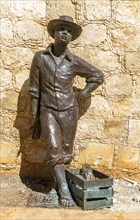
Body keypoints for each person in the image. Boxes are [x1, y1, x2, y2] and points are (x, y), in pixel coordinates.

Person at [29, 15, 104, 207]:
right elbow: (34, 90)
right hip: (48, 111)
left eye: (69, 31)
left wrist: (82, 95)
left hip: (69, 110)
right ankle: (64, 190)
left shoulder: (73, 61)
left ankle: (60, 185)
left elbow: (97, 76)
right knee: (54, 149)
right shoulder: (40, 58)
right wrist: (34, 117)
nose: (65, 33)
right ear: (54, 33)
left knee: (66, 150)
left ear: (71, 37)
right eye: (62, 29)